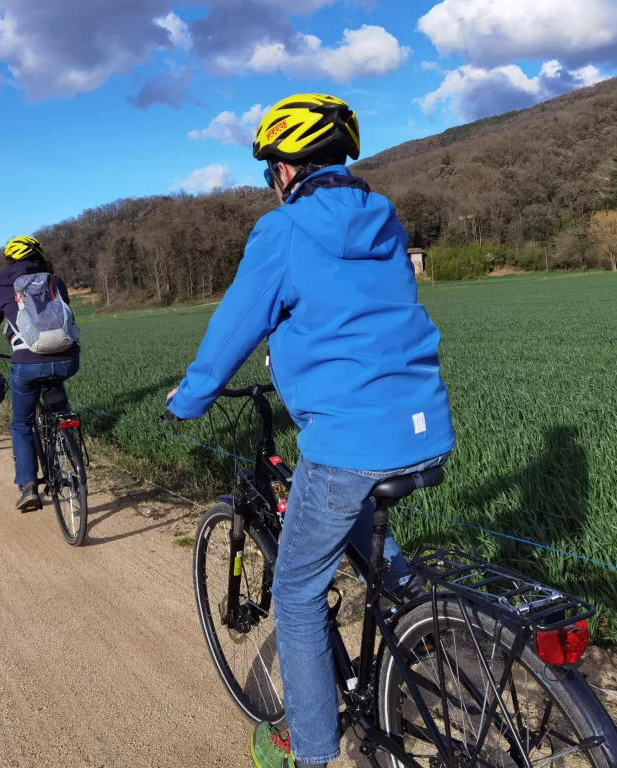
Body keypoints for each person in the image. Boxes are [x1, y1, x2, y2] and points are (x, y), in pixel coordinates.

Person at [165, 94, 456, 768]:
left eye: (272, 170)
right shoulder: (381, 217)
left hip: (352, 437)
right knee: (345, 494)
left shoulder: (285, 231)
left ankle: (311, 749)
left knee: (296, 592)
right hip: (423, 423)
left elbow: (233, 328)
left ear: (286, 171)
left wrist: (189, 400)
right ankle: (413, 612)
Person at [0, 236, 80, 512]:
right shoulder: (55, 281)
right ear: (39, 256)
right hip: (67, 360)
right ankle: (71, 454)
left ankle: (29, 487)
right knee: (59, 404)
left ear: (10, 261)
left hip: (28, 363)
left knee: (22, 423)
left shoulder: (2, 288)